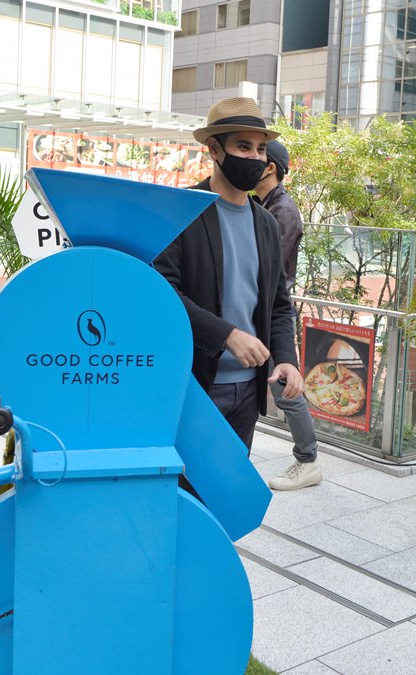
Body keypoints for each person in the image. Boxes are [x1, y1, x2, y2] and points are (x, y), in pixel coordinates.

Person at [154, 97, 303, 451]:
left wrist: (286, 358)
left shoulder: (266, 223)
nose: (255, 157)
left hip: (249, 392)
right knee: (185, 483)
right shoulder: (181, 211)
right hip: (193, 385)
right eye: (243, 146)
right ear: (214, 149)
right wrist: (227, 335)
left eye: (261, 149)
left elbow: (279, 304)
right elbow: (162, 291)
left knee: (232, 484)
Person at [252, 140, 322, 490]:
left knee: (285, 389)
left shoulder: (284, 210)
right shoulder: (262, 203)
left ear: (270, 168)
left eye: (258, 155)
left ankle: (308, 461)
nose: (251, 160)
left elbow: (269, 267)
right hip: (258, 309)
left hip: (270, 312)